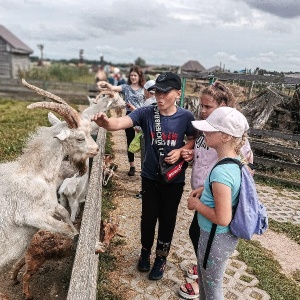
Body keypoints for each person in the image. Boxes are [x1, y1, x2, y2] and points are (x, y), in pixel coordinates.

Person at [92, 72, 196, 280]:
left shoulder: (186, 117)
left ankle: (161, 258)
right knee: (148, 219)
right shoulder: (146, 113)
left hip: (174, 180)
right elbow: (120, 123)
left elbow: (192, 139)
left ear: (178, 93)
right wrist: (105, 123)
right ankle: (145, 252)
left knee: (168, 220)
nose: (160, 96)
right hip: (150, 177)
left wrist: (182, 150)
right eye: (157, 91)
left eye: (165, 92)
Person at [179, 81, 253, 299]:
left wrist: (197, 204)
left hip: (214, 237)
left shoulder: (221, 173)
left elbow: (222, 218)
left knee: (212, 290)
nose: (204, 132)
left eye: (210, 129)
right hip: (216, 236)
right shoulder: (230, 165)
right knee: (207, 280)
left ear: (226, 136)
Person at [97, 65, 145, 176]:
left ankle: (144, 167)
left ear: (139, 76)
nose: (133, 77)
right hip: (130, 116)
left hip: (142, 115)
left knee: (143, 142)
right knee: (130, 140)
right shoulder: (126, 87)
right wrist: (106, 84)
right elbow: (114, 88)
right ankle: (132, 166)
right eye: (131, 75)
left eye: (135, 75)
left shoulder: (144, 90)